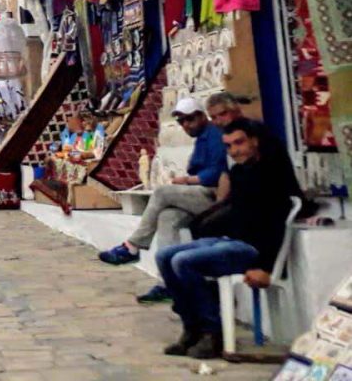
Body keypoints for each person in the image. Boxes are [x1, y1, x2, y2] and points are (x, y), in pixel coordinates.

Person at [155, 119, 302, 360]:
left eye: (239, 143)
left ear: (255, 141)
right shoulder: (239, 172)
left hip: (251, 249)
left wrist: (264, 266)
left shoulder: (272, 173)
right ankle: (192, 327)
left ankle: (212, 331)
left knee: (184, 261)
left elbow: (277, 225)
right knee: (164, 256)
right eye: (229, 146)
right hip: (229, 241)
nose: (235, 151)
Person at [98, 98, 227, 304]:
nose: (186, 125)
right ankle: (168, 282)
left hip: (217, 198)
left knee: (162, 193)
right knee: (168, 217)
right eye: (182, 121)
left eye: (190, 119)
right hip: (199, 195)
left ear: (203, 116)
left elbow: (218, 173)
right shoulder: (203, 138)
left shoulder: (215, 136)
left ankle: (132, 246)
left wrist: (187, 180)